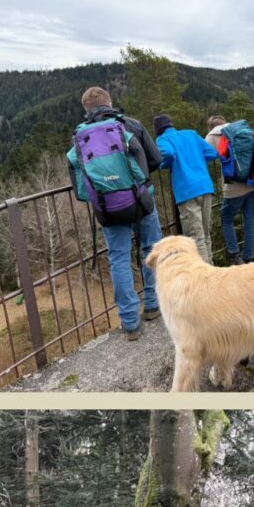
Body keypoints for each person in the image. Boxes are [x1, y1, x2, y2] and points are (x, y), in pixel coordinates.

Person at [68, 86, 163, 341]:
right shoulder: (129, 124)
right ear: (109, 102)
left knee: (119, 259)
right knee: (152, 250)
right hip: (140, 200)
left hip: (107, 207)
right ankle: (154, 306)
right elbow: (155, 159)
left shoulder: (79, 135)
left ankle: (130, 323)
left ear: (86, 109)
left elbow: (79, 185)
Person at [153, 115, 220, 263]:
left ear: (157, 130)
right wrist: (198, 162)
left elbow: (168, 153)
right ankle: (211, 268)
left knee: (196, 237)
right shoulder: (191, 134)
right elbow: (212, 153)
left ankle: (204, 277)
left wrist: (165, 165)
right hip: (205, 186)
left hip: (186, 191)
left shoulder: (163, 140)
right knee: (206, 234)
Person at [206, 115, 254, 265]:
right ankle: (248, 257)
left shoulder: (213, 134)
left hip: (233, 187)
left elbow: (205, 154)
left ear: (211, 126)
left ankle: (234, 255)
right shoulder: (241, 129)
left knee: (226, 218)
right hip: (252, 183)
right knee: (250, 221)